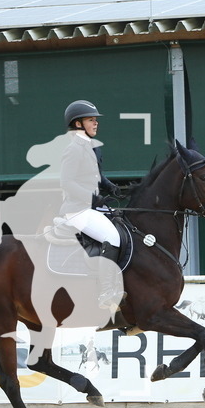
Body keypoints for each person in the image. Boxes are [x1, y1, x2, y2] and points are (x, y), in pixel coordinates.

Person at [57, 100, 125, 312]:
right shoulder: (73, 149)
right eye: (91, 120)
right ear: (78, 124)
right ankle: (105, 292)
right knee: (112, 237)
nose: (96, 123)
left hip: (90, 208)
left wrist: (113, 188)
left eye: (96, 120)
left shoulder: (92, 147)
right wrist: (92, 198)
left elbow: (98, 176)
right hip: (76, 209)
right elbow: (67, 182)